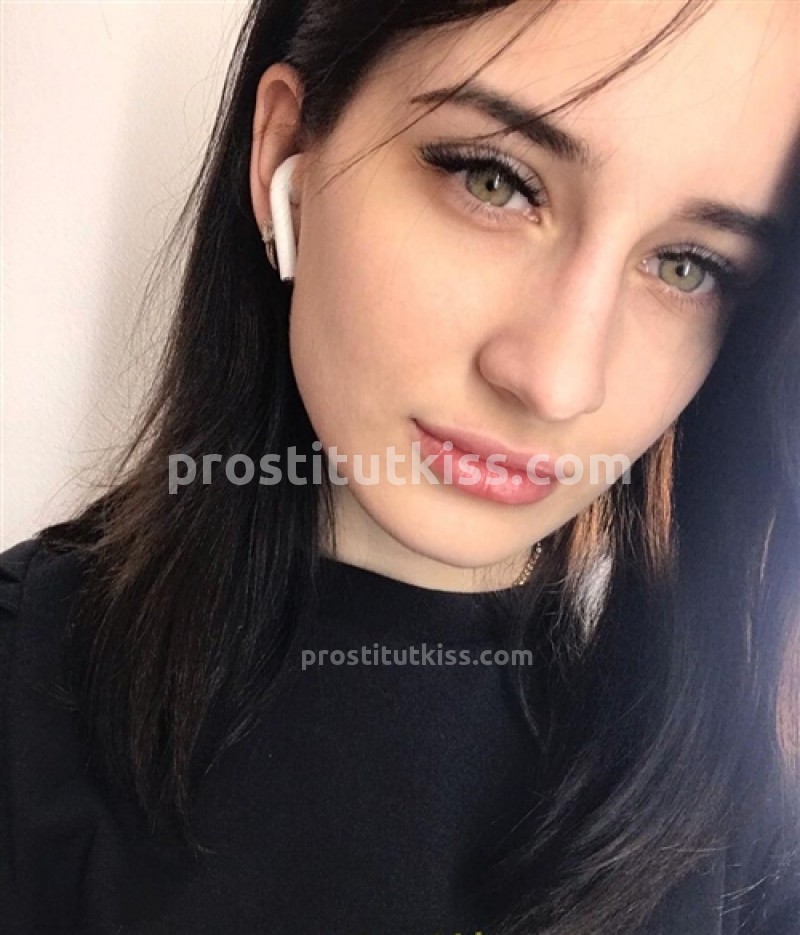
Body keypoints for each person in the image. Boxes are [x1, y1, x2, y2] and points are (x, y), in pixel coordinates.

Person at [2, 1, 799, 933]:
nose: (557, 379)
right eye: (496, 181)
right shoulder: (25, 694)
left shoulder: (746, 829)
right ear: (286, 154)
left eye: (689, 265)